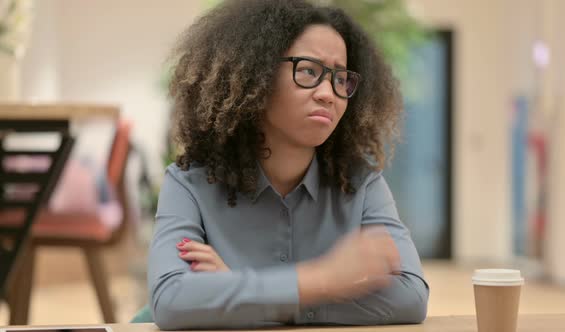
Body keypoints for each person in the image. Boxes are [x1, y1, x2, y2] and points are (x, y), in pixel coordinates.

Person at [148, 0, 429, 329]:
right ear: (257, 75)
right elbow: (170, 301)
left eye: (340, 79)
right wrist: (323, 281)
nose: (329, 93)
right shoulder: (188, 184)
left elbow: (410, 298)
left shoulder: (362, 184)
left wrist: (241, 292)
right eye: (309, 71)